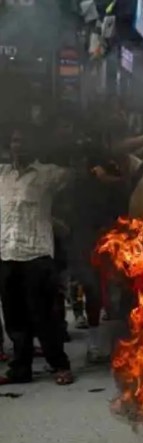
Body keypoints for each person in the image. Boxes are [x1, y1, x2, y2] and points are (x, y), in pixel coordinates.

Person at [0, 127, 75, 386]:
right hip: (7, 254)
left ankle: (59, 365)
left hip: (37, 256)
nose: (18, 146)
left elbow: (75, 174)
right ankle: (20, 369)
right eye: (14, 141)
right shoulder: (3, 175)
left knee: (45, 316)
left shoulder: (48, 174)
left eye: (23, 141)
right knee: (14, 319)